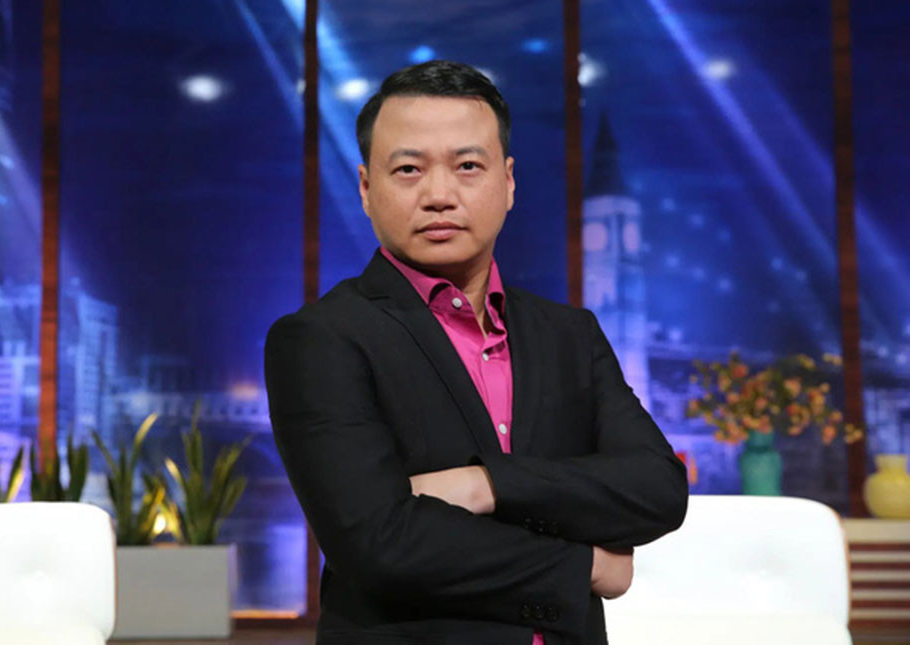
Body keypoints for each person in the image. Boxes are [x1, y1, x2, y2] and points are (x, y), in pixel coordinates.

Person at [264, 60, 688, 645]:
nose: (439, 195)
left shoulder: (569, 333)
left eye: (467, 166)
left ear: (508, 182)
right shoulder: (321, 337)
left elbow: (658, 489)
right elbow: (378, 543)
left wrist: (483, 485)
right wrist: (586, 566)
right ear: (366, 188)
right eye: (408, 169)